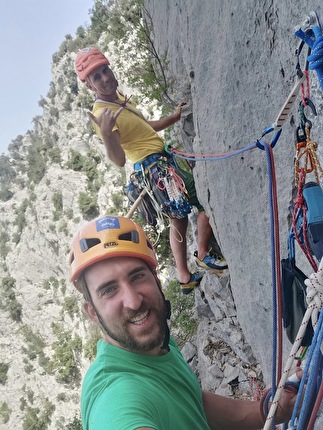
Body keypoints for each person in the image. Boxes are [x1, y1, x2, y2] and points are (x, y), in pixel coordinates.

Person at [69, 215, 302, 430]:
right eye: (109, 290)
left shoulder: (156, 342)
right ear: (92, 312)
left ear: (156, 280)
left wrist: (269, 410)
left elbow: (191, 401)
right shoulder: (115, 397)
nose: (133, 301)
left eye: (137, 276)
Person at [74, 47, 228, 294]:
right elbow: (118, 159)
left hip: (158, 163)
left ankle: (184, 276)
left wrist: (174, 118)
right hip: (154, 167)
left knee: (177, 220)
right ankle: (202, 254)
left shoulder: (120, 98)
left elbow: (146, 126)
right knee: (203, 200)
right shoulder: (103, 114)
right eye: (97, 77)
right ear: (90, 86)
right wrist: (105, 135)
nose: (105, 78)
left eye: (105, 70)